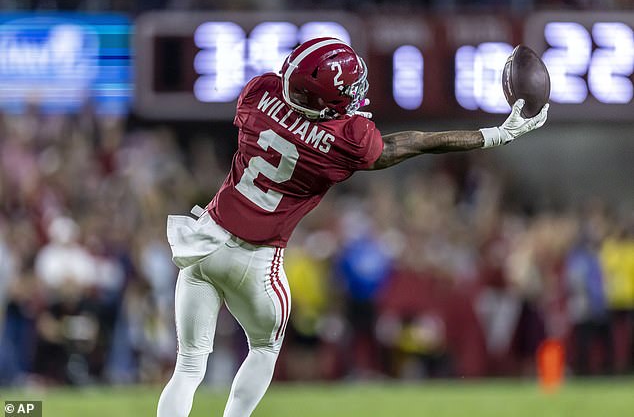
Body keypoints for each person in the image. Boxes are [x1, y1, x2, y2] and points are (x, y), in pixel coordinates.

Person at [156, 37, 549, 417]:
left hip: (203, 242)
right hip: (257, 261)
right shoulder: (349, 141)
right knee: (264, 350)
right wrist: (497, 134)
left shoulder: (258, 94)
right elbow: (412, 143)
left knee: (188, 368)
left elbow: (288, 112)